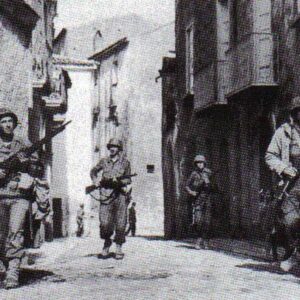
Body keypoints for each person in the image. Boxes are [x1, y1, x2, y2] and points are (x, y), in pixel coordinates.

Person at [0, 108, 39, 289]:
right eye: (3, 121)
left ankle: (13, 272)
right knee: (1, 236)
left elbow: (36, 166)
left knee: (15, 232)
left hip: (19, 195)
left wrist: (28, 164)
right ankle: (6, 266)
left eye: (10, 121)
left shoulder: (23, 142)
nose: (7, 124)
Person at [265, 96, 300, 268]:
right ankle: (293, 252)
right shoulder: (284, 133)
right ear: (295, 113)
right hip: (291, 185)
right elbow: (270, 156)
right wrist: (284, 169)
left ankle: (293, 255)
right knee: (289, 221)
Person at [90, 138, 132, 260]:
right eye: (110, 147)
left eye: (115, 147)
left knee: (120, 223)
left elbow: (128, 179)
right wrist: (96, 181)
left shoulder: (125, 163)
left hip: (120, 194)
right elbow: (93, 171)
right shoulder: (104, 161)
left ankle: (118, 246)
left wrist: (119, 181)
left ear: (119, 149)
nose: (112, 149)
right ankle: (107, 242)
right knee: (104, 223)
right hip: (106, 194)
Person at [186, 154, 212, 250]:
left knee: (207, 222)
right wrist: (192, 192)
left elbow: (214, 187)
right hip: (197, 200)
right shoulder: (194, 174)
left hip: (207, 199)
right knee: (198, 221)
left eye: (201, 163)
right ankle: (198, 240)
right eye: (198, 163)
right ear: (196, 164)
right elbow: (187, 186)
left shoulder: (209, 173)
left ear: (204, 163)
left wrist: (208, 182)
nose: (200, 164)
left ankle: (205, 241)